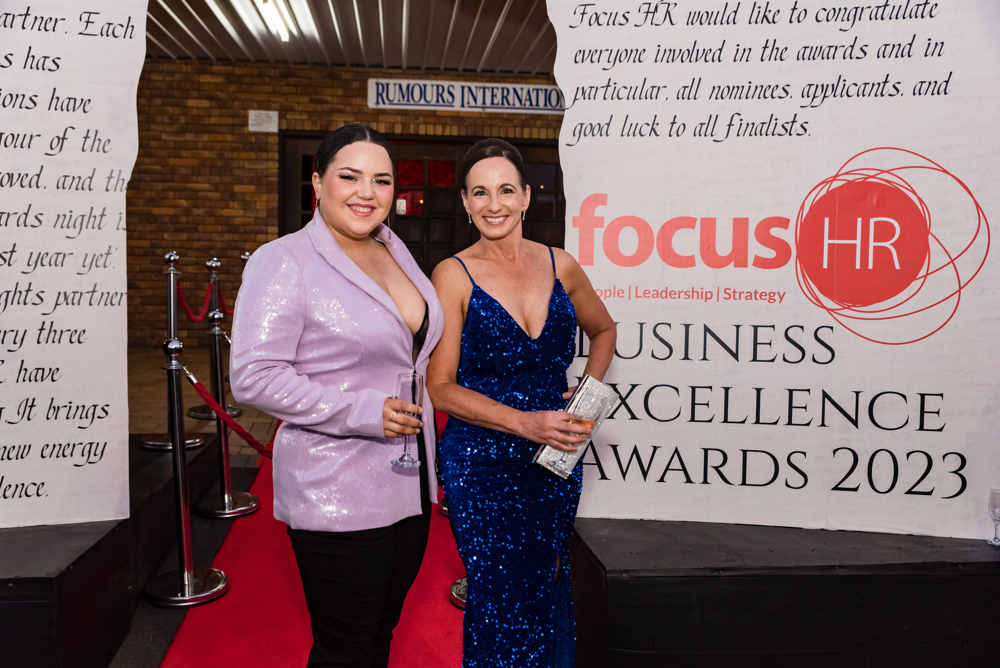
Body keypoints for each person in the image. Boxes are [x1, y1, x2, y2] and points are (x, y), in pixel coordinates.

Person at [230, 123, 443, 668]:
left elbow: (409, 353)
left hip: (410, 482)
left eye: (381, 180)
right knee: (345, 650)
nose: (366, 192)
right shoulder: (284, 260)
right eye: (350, 176)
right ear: (318, 182)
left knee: (380, 636)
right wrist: (362, 411)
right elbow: (254, 376)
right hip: (337, 490)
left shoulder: (392, 247)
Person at [428, 138, 617, 667]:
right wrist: (523, 423)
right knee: (500, 602)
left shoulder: (562, 266)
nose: (494, 204)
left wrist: (586, 394)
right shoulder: (452, 274)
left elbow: (604, 330)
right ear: (465, 202)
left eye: (506, 190)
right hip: (482, 461)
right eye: (480, 192)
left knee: (544, 584)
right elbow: (439, 386)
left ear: (527, 196)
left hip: (555, 456)